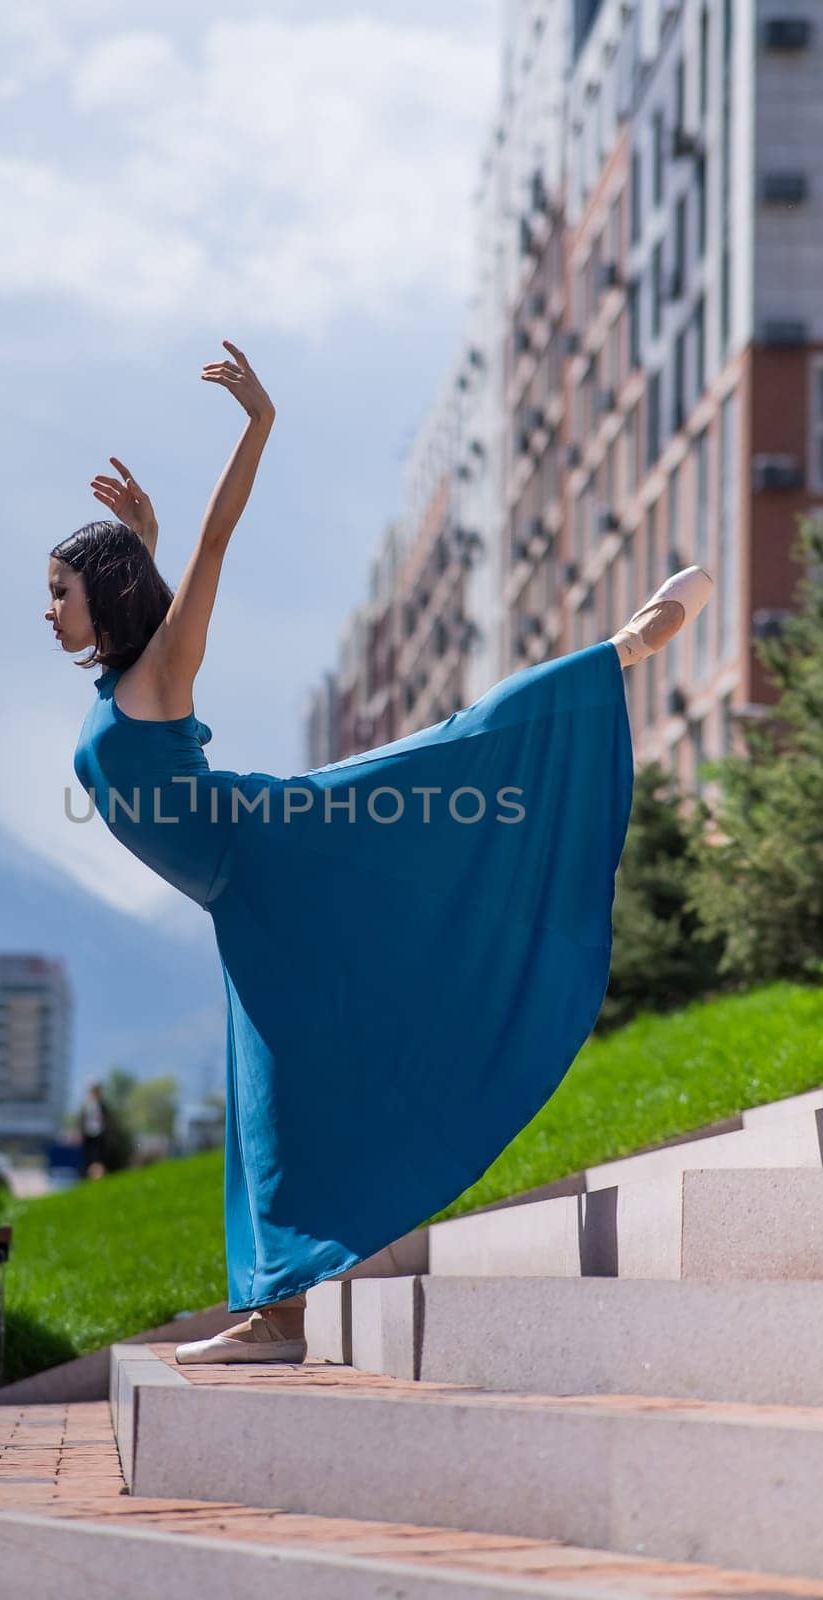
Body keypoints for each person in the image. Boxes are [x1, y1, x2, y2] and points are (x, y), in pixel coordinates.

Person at [50, 339, 713, 1366]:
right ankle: (276, 1315)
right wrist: (140, 541)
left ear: (102, 597)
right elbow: (167, 597)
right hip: (246, 895)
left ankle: (625, 645)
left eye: (61, 591)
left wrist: (258, 426)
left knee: (448, 752)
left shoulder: (162, 674)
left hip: (274, 849)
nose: (49, 610)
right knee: (273, 1095)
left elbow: (217, 549)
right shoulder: (132, 676)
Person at [79, 1081, 110, 1178]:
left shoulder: (102, 1106)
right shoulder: (86, 1106)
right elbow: (82, 1121)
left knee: (98, 1158)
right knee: (88, 1158)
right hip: (88, 1135)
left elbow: (107, 1121)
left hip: (99, 1135)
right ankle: (89, 1176)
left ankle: (98, 1176)